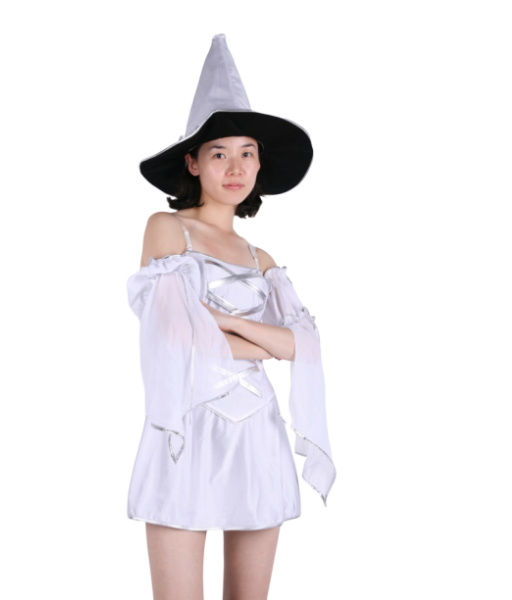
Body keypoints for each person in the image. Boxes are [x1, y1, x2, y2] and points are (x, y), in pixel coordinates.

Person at [125, 33, 336, 600]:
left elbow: (303, 344)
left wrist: (227, 322)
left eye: (247, 153)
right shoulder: (167, 228)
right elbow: (175, 335)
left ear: (260, 164)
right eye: (219, 153)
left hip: (257, 430)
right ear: (193, 162)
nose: (235, 166)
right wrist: (264, 341)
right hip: (187, 426)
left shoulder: (262, 258)